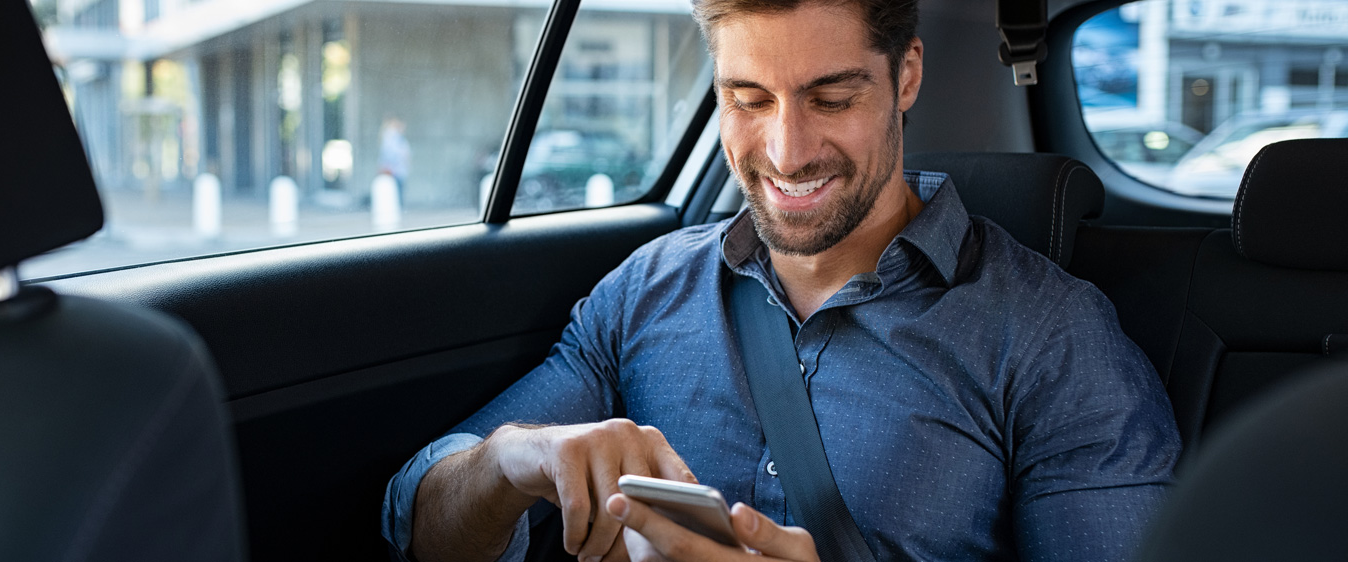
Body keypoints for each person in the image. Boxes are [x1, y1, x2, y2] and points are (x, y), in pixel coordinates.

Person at [383, 0, 1180, 560]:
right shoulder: (645, 292)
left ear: (905, 77)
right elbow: (421, 529)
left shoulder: (1054, 339)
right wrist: (515, 458)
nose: (788, 150)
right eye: (749, 98)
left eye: (830, 97)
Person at [379, 117, 412, 189]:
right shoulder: (390, 139)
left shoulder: (400, 140)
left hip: (399, 172)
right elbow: (390, 156)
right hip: (394, 173)